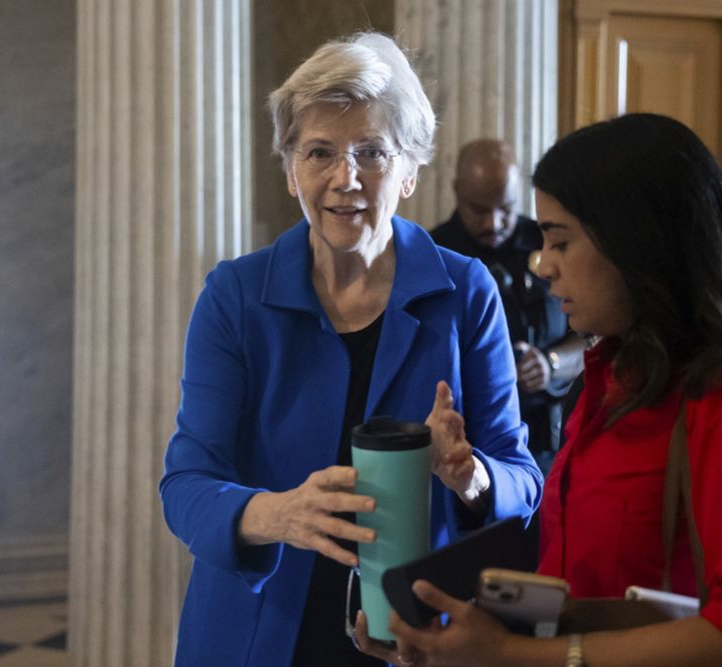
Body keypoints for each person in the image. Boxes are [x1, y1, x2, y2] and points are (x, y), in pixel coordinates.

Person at [358, 113, 722, 666]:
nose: (542, 265)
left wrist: (518, 655)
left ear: (638, 245)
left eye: (560, 242)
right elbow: (574, 579)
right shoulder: (611, 379)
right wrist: (453, 641)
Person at [159, 31, 543, 667]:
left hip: (414, 634)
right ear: (291, 171)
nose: (346, 178)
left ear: (410, 171)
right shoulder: (234, 296)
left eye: (372, 152)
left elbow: (521, 481)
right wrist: (277, 514)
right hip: (255, 634)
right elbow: (186, 485)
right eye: (320, 152)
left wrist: (469, 475)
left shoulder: (466, 290)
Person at [430, 139, 585, 471]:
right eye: (479, 210)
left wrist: (550, 364)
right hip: (470, 449)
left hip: (552, 441)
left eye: (506, 208)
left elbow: (591, 337)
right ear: (457, 191)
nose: (493, 223)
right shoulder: (431, 254)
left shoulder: (551, 242)